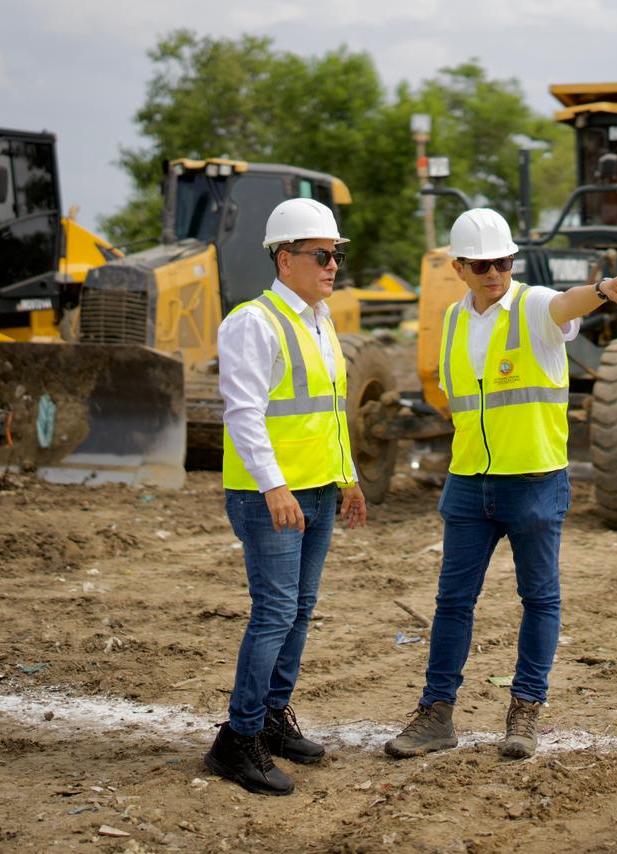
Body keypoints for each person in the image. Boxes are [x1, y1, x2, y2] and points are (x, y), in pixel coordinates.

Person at [385, 208, 617, 760]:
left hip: (534, 480)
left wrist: (601, 288)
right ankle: (436, 714)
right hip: (469, 481)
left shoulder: (534, 307)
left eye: (502, 262)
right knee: (453, 601)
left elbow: (566, 303)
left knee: (539, 599)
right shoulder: (454, 320)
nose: (494, 273)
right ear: (460, 268)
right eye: (482, 265)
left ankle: (524, 709)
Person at [205, 197, 367, 796]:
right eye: (321, 255)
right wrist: (274, 485)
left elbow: (328, 414)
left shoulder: (321, 321)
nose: (332, 265)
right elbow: (243, 413)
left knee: (298, 611)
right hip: (269, 495)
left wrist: (347, 476)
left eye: (336, 255)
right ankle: (237, 740)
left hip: (319, 490)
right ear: (284, 258)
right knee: (274, 612)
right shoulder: (254, 322)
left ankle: (272, 718)